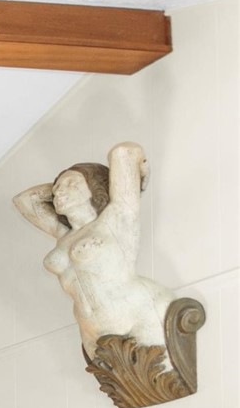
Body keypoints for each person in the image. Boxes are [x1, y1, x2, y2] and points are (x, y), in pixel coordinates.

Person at [13, 142, 176, 351]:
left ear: (95, 187)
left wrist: (132, 175)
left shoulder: (115, 219)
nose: (59, 192)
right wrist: (64, 186)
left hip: (142, 315)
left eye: (71, 184)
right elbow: (25, 201)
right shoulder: (64, 236)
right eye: (56, 189)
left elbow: (123, 152)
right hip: (92, 332)